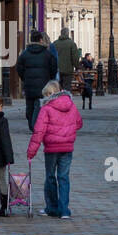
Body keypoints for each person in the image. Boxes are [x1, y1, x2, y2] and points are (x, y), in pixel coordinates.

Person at [27, 80, 83, 219]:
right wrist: (67, 131)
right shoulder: (71, 105)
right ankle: (64, 210)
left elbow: (39, 131)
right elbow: (79, 123)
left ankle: (51, 207)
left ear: (50, 93)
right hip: (67, 147)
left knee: (50, 177)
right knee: (63, 178)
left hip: (51, 149)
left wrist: (31, 151)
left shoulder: (46, 109)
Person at [15, 30, 58, 130]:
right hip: (43, 85)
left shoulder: (25, 54)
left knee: (29, 105)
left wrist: (24, 78)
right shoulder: (47, 54)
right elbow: (54, 67)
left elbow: (19, 68)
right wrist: (50, 79)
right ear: (40, 39)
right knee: (39, 105)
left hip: (29, 84)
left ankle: (31, 123)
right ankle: (35, 125)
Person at [54, 26, 81, 91]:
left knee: (58, 87)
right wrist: (77, 67)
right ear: (68, 34)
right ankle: (66, 100)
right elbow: (75, 57)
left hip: (57, 70)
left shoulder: (55, 43)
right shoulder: (71, 44)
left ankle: (59, 100)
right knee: (67, 87)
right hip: (68, 70)